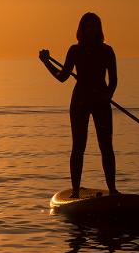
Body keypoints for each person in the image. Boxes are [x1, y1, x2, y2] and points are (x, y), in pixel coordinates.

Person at [39, 12, 119, 198]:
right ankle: (75, 190)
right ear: (82, 29)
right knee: (78, 147)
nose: (92, 29)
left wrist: (107, 95)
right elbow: (62, 77)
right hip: (80, 102)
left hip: (101, 101)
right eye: (88, 26)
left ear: (99, 29)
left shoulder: (107, 51)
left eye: (95, 26)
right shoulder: (75, 50)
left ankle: (113, 190)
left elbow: (114, 80)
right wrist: (46, 63)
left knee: (106, 146)